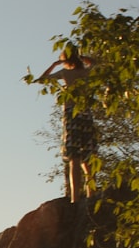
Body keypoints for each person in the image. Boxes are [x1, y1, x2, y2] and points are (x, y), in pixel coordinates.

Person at [35, 46, 97, 203]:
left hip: (72, 114)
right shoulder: (85, 72)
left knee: (74, 156)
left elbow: (41, 79)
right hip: (86, 114)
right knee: (87, 158)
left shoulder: (65, 73)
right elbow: (95, 62)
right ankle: (91, 194)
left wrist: (56, 64)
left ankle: (75, 199)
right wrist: (81, 57)